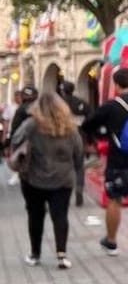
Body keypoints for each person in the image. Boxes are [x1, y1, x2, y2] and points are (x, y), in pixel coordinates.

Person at [81, 67, 128, 262]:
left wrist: (102, 135)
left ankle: (112, 241)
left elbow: (87, 125)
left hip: (118, 160)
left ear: (116, 85)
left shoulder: (111, 106)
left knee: (114, 199)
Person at [10, 91, 84, 269]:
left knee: (35, 215)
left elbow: (15, 140)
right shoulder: (70, 127)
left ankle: (35, 254)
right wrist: (78, 177)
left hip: (33, 178)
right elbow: (79, 153)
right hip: (63, 178)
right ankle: (62, 255)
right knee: (60, 216)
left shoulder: (31, 125)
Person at [58, 81, 93, 206]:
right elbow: (90, 122)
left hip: (62, 139)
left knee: (62, 167)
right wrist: (90, 141)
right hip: (80, 138)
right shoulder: (82, 103)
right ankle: (79, 189)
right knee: (79, 167)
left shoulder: (58, 105)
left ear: (62, 90)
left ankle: (63, 194)